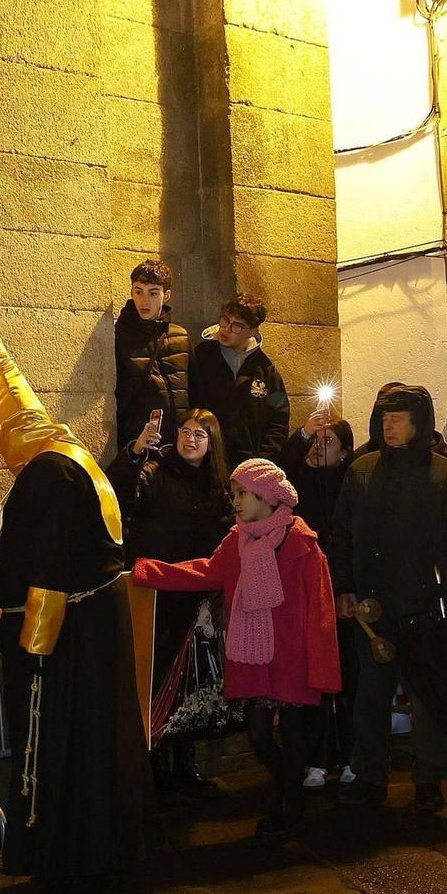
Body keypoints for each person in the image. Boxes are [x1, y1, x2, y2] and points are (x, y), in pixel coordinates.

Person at [0, 299, 153, 894]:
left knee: (59, 747)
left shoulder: (46, 473)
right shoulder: (78, 461)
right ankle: (103, 855)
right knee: (102, 744)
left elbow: (46, 569)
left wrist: (33, 655)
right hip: (99, 625)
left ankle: (67, 862)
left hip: (67, 638)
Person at [132, 459, 341, 840]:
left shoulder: (301, 542)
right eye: (235, 494)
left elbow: (322, 608)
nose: (237, 502)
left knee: (293, 734)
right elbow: (206, 571)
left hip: (293, 655)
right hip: (258, 654)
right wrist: (148, 572)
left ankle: (291, 806)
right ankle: (290, 794)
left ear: (267, 495)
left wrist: (322, 665)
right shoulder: (238, 540)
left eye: (243, 493)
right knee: (259, 732)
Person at [329, 385, 447, 812]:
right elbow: (341, 533)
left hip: (425, 608)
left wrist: (440, 581)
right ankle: (369, 775)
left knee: (427, 698)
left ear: (419, 423)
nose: (389, 426)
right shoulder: (362, 471)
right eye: (384, 418)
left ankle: (430, 778)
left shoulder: (446, 476)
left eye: (398, 418)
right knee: (371, 697)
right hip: (373, 607)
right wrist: (344, 586)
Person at [109, 407, 232, 799]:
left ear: (212, 444)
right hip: (158, 594)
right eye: (185, 431)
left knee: (194, 683)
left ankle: (186, 766)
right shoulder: (154, 473)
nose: (190, 439)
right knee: (158, 680)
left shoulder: (219, 487)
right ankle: (155, 768)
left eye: (200, 434)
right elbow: (116, 496)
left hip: (198, 596)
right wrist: (133, 453)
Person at [280, 407, 358, 788]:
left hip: (341, 589)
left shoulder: (351, 483)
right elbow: (280, 470)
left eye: (327, 442)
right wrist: (303, 435)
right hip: (305, 592)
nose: (317, 447)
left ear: (345, 451)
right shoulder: (298, 484)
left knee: (344, 677)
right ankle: (315, 758)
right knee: (311, 678)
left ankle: (349, 755)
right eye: (315, 440)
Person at [188, 292, 290, 467]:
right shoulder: (202, 357)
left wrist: (263, 458)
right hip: (205, 459)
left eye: (237, 326)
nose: (226, 329)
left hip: (247, 465)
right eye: (225, 320)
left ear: (252, 330)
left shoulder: (265, 369)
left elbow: (279, 418)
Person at [113, 260, 190, 457]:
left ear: (167, 296)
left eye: (153, 293)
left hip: (178, 444)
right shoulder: (119, 335)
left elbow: (194, 389)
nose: (145, 301)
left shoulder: (180, 337)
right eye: (138, 291)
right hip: (139, 441)